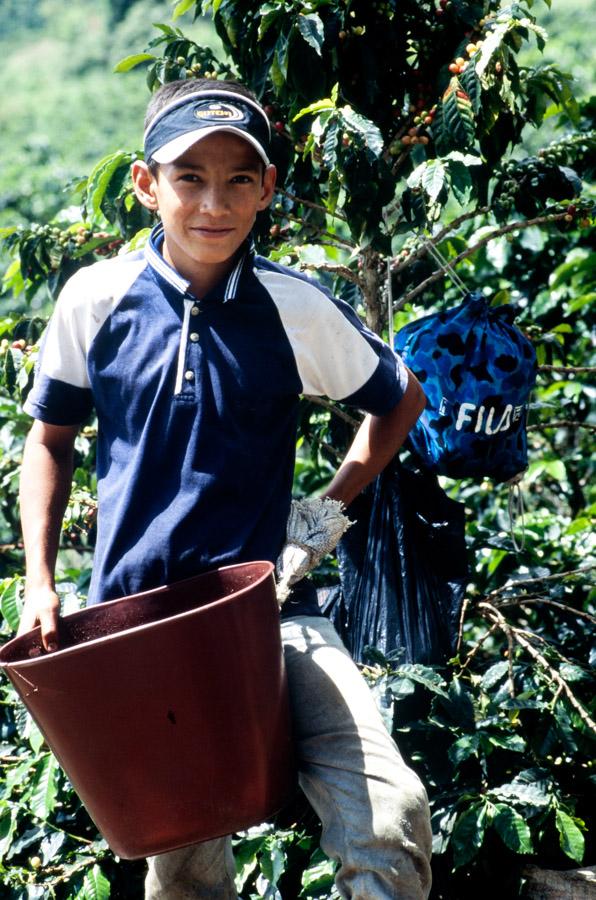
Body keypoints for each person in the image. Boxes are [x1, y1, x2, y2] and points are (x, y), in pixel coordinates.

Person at [18, 78, 433, 899]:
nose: (215, 202)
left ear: (267, 188)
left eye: (240, 178)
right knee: (185, 865)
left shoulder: (293, 308)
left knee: (389, 812)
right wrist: (40, 582)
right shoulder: (94, 301)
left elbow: (399, 399)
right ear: (146, 185)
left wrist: (322, 516)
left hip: (271, 611)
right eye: (190, 177)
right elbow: (50, 440)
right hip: (142, 626)